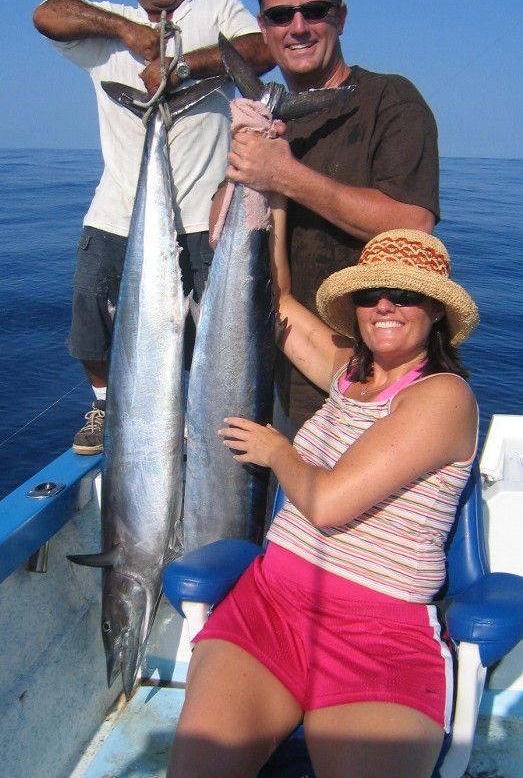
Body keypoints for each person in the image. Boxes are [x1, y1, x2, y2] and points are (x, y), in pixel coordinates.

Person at [167, 228, 480, 778]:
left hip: (378, 637)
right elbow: (276, 299)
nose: (385, 305)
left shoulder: (443, 397)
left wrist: (276, 450)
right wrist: (273, 198)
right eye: (370, 294)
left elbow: (329, 503)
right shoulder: (347, 376)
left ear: (436, 311)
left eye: (405, 295)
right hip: (270, 606)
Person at [33, 0, 273, 454]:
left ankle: (202, 413)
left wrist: (183, 66)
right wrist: (127, 32)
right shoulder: (107, 24)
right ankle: (103, 404)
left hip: (206, 213)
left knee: (216, 329)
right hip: (118, 213)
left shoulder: (216, 10)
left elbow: (261, 50)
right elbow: (46, 13)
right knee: (90, 313)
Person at [220, 0, 440, 437]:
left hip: (370, 373)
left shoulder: (390, 101)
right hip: (268, 366)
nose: (297, 26)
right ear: (264, 27)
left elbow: (413, 225)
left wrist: (285, 176)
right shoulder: (265, 124)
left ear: (339, 16)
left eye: (313, 10)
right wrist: (245, 163)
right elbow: (223, 240)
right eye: (281, 15)